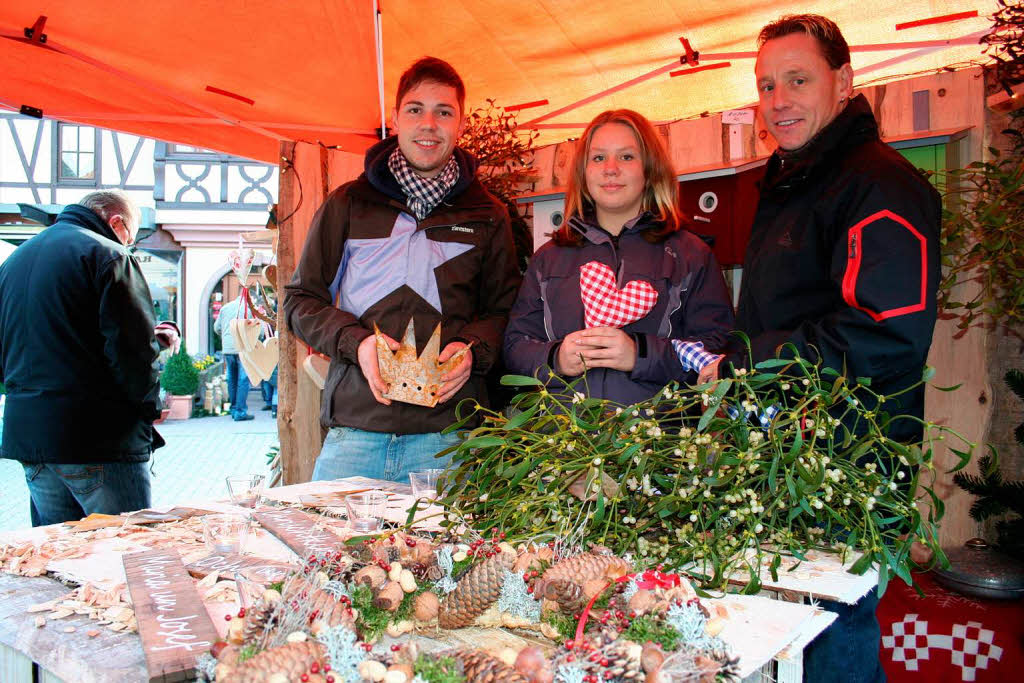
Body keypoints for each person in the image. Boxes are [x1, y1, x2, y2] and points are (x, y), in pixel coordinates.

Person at [721, 15, 942, 682]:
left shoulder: (879, 183)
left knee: (832, 621)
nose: (778, 99)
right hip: (788, 450)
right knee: (791, 625)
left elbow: (887, 331)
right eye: (766, 86)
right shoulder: (796, 181)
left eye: (797, 79)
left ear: (843, 81)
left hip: (845, 461)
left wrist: (749, 362)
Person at [284, 56, 520, 483]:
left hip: (449, 438)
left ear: (460, 123)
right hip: (354, 433)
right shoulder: (347, 204)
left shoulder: (490, 215)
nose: (428, 123)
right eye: (415, 109)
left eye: (443, 111)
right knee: (331, 549)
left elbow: (506, 312)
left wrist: (473, 350)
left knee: (450, 553)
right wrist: (357, 345)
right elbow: (301, 301)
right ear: (395, 119)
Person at [503, 109, 734, 404]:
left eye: (626, 157)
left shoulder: (690, 254)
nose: (610, 169)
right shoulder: (548, 259)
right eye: (598, 158)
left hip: (658, 441)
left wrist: (642, 355)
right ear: (583, 172)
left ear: (650, 169)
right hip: (564, 441)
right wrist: (555, 357)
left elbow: (718, 351)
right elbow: (514, 346)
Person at [0, 190, 168, 526]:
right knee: (124, 551)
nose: (129, 246)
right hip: (97, 438)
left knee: (60, 560)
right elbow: (133, 353)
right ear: (116, 222)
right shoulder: (108, 255)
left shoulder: (13, 262)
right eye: (130, 239)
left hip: (30, 438)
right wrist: (151, 408)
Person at [214, 290, 255, 421]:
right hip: (242, 348)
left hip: (228, 349)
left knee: (232, 378)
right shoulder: (249, 310)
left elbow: (217, 328)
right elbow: (256, 330)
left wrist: (226, 337)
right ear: (249, 298)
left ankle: (233, 409)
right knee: (243, 379)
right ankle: (240, 411)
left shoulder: (225, 308)